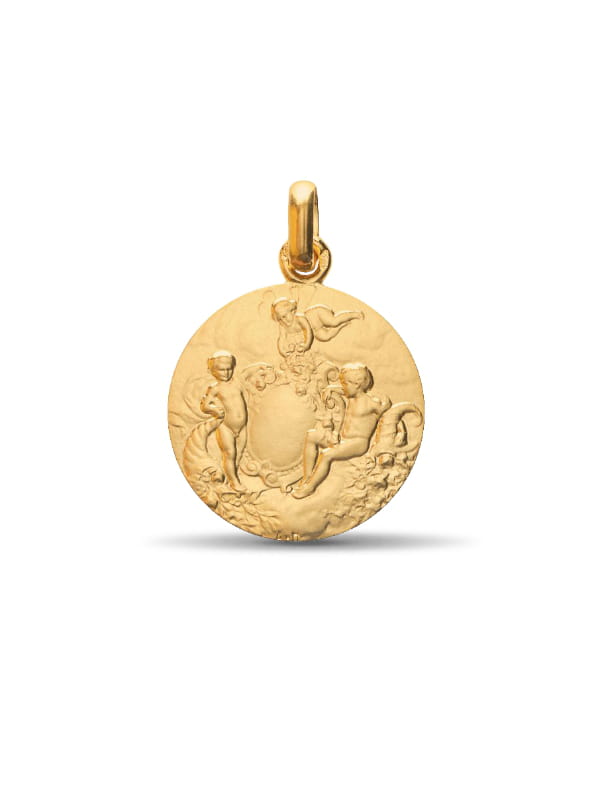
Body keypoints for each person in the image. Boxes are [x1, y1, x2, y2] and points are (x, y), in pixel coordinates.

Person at [292, 363, 391, 498]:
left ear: (357, 384)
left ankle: (310, 487)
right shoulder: (352, 396)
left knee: (327, 455)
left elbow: (384, 409)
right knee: (312, 436)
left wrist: (386, 404)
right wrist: (331, 388)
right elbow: (344, 391)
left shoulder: (370, 403)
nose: (343, 387)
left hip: (357, 443)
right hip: (343, 439)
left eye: (345, 383)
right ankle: (308, 477)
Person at [200, 351, 247, 491]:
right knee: (229, 453)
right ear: (212, 370)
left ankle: (231, 476)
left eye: (229, 369)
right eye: (221, 370)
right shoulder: (215, 388)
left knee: (239, 454)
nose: (226, 373)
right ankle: (234, 482)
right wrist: (214, 410)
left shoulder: (237, 385)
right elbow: (204, 405)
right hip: (225, 426)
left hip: (242, 427)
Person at [271, 298, 363, 359]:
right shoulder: (283, 326)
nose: (284, 320)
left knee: (333, 322)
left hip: (317, 315)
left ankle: (354, 314)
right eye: (281, 318)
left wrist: (306, 345)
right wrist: (282, 351)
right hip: (316, 329)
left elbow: (308, 330)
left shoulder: (299, 318)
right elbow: (281, 338)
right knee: (325, 336)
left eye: (285, 316)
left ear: (292, 311)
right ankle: (342, 325)